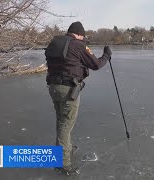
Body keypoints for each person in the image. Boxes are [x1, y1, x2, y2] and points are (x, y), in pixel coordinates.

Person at [44, 21, 112, 175]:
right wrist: (106, 55)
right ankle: (62, 163)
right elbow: (95, 64)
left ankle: (65, 148)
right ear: (80, 34)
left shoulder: (55, 43)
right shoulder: (78, 45)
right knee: (65, 125)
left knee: (61, 120)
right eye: (83, 36)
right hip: (68, 89)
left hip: (53, 87)